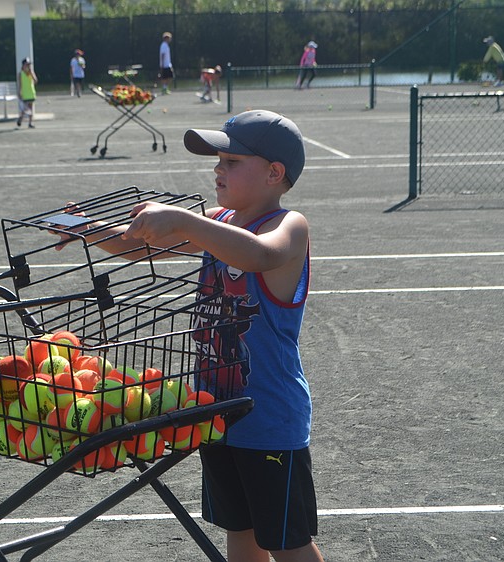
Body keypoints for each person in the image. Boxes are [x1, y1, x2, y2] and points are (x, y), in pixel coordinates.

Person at [54, 110, 323, 562]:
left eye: (231, 161)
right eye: (217, 159)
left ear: (275, 173)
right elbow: (139, 245)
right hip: (217, 411)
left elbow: (258, 255)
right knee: (240, 532)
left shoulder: (288, 227)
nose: (218, 169)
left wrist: (183, 220)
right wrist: (87, 230)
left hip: (270, 418)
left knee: (288, 544)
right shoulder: (221, 219)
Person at [17, 58, 38, 128]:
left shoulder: (31, 73)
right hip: (25, 93)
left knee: (31, 108)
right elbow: (20, 84)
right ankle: (21, 118)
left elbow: (35, 81)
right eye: (27, 65)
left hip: (31, 92)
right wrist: (19, 92)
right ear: (23, 65)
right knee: (25, 109)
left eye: (29, 65)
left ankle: (30, 123)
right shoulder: (20, 74)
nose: (28, 66)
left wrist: (31, 74)